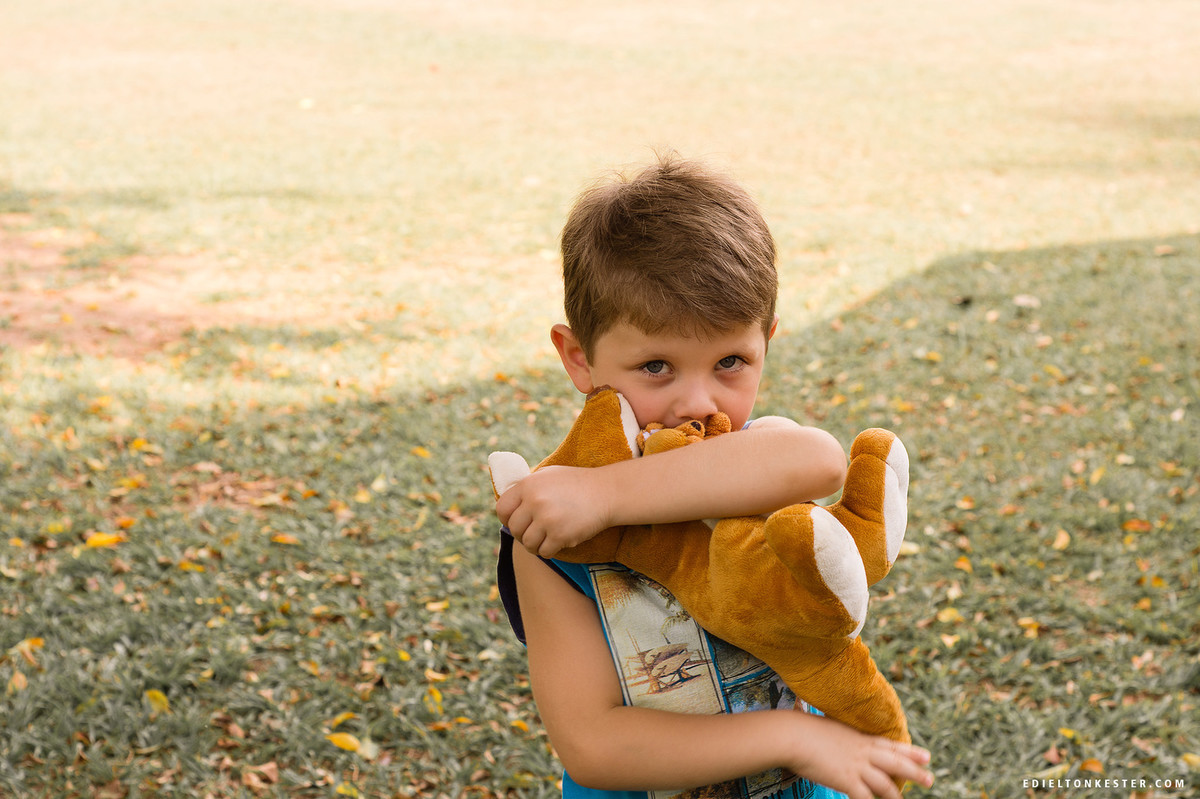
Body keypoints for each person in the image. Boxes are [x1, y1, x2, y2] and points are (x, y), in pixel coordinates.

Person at [494, 154, 933, 799]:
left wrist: (609, 494)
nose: (700, 402)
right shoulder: (556, 525)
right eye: (656, 366)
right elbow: (592, 745)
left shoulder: (753, 460)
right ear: (579, 358)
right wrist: (793, 738)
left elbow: (819, 458)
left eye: (731, 361)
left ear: (767, 342)